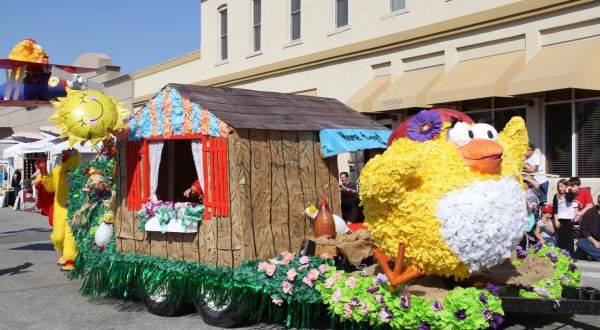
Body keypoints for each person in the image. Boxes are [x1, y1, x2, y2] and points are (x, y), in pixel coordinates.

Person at [552, 179, 576, 256]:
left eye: (562, 186)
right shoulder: (556, 196)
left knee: (569, 237)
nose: (560, 188)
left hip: (569, 218)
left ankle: (570, 255)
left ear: (566, 186)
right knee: (561, 237)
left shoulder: (570, 194)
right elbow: (555, 209)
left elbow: (569, 199)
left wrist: (568, 190)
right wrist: (556, 220)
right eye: (559, 186)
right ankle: (562, 255)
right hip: (560, 218)